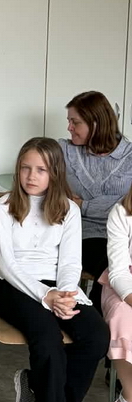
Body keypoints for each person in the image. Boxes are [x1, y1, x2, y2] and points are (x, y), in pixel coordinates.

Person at [0, 137, 108, 402]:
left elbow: (70, 261)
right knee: (46, 335)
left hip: (58, 286)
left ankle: (48, 395)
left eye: (41, 170)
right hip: (11, 286)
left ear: (55, 172)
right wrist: (46, 296)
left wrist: (66, 294)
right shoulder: (2, 208)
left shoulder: (69, 209)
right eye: (25, 168)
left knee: (96, 336)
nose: (31, 176)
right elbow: (7, 265)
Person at [60, 91, 132, 311]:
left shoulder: (129, 156)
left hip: (125, 235)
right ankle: (100, 321)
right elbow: (52, 194)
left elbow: (126, 206)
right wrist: (113, 203)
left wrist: (83, 205)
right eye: (69, 121)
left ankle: (100, 321)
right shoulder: (64, 151)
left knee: (119, 265)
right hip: (82, 234)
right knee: (111, 267)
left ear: (96, 123)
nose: (69, 128)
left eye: (75, 122)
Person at [99, 192, 132, 402]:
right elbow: (118, 272)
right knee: (122, 316)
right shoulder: (121, 212)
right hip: (124, 285)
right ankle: (130, 395)